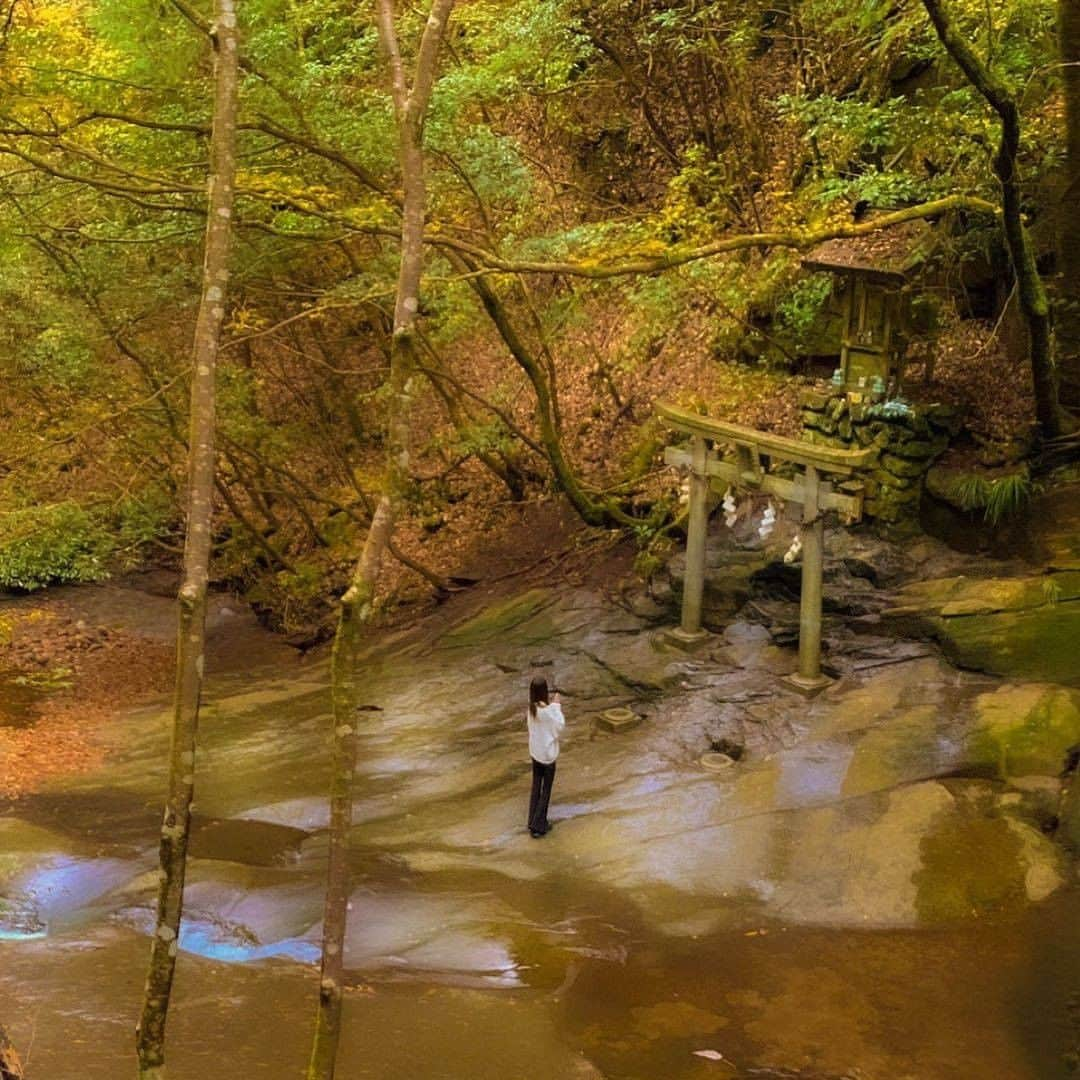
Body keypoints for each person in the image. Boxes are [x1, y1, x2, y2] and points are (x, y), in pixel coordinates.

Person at [526, 675, 564, 838]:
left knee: (536, 786)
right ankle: (539, 825)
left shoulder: (530, 709)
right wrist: (557, 705)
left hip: (536, 754)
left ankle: (531, 820)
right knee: (546, 789)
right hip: (548, 757)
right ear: (545, 692)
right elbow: (559, 726)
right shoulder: (548, 711)